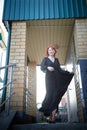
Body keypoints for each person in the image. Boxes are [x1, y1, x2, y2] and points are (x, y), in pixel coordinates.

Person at [39, 45, 74, 123]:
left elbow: (60, 70)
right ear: (48, 51)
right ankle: (50, 115)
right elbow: (42, 67)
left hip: (57, 80)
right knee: (50, 95)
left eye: (52, 50)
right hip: (49, 80)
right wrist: (47, 67)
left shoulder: (57, 60)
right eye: (49, 50)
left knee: (56, 96)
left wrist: (68, 73)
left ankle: (53, 117)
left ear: (55, 51)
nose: (51, 51)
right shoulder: (45, 59)